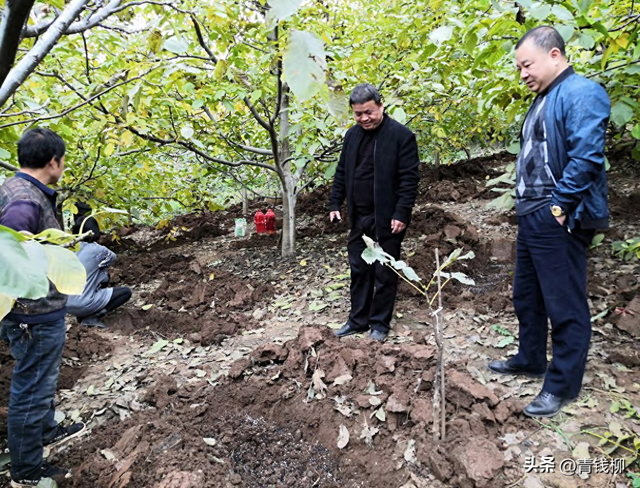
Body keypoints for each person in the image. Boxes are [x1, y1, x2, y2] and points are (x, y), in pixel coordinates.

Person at [488, 26, 610, 418]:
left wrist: (558, 206)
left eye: (527, 64)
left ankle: (561, 385)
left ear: (554, 55)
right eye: (519, 67)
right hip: (532, 214)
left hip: (557, 214)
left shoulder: (582, 92)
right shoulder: (545, 98)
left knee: (564, 302)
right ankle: (530, 358)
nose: (522, 73)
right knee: (527, 295)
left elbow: (587, 158)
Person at [0, 128, 86, 487]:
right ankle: (27, 474)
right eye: (62, 160)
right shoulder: (24, 202)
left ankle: (47, 430)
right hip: (31, 317)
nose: (63, 166)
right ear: (53, 161)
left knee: (41, 381)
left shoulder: (16, 189)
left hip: (33, 315)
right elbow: (10, 254)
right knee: (32, 390)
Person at [329, 83, 420, 342]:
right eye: (358, 114)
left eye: (369, 112)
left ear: (381, 106)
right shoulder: (352, 136)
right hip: (359, 215)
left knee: (384, 269)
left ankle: (379, 323)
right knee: (358, 268)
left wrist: (402, 213)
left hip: (388, 217)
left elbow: (408, 179)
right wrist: (335, 204)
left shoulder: (401, 136)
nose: (364, 118)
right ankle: (357, 320)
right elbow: (342, 172)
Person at [67, 214, 132, 328]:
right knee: (125, 292)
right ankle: (92, 316)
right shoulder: (96, 249)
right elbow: (112, 258)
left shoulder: (67, 248)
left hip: (66, 305)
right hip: (84, 303)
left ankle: (83, 314)